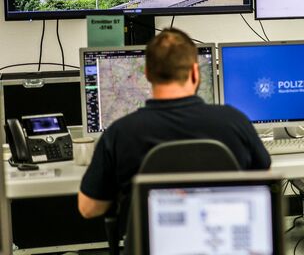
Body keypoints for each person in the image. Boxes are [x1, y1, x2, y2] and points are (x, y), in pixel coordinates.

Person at [78, 28, 271, 219]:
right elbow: (264, 182)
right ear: (195, 72)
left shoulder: (119, 133)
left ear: (147, 74)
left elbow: (88, 209)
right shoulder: (235, 122)